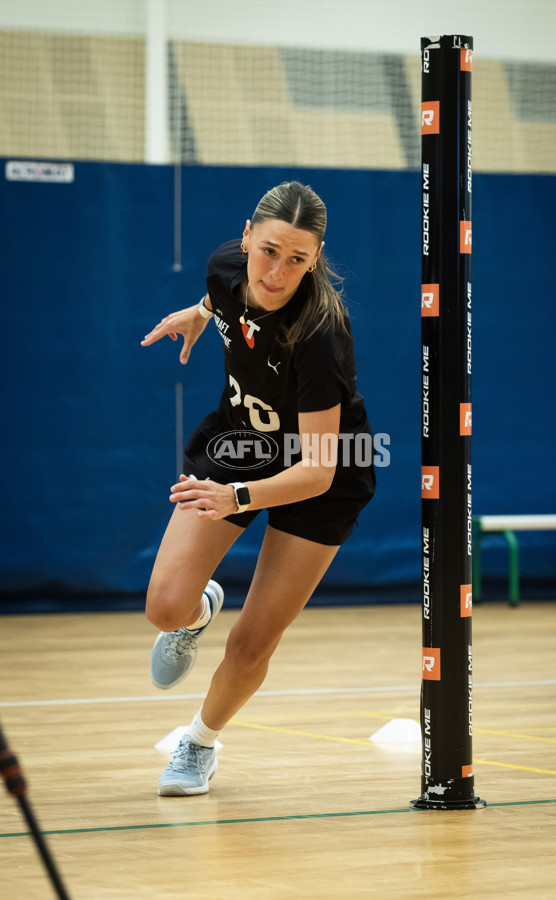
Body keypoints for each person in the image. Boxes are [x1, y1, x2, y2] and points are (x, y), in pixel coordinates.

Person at [141, 181, 375, 796]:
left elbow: (318, 469)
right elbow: (225, 296)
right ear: (247, 237)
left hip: (321, 474)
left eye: (298, 259)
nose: (276, 272)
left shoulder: (320, 333)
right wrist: (199, 314)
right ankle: (196, 614)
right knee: (164, 606)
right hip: (239, 446)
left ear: (316, 259)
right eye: (268, 250)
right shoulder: (226, 266)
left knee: (251, 643)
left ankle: (199, 743)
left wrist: (235, 499)